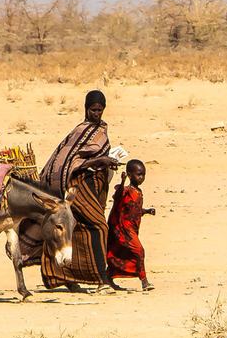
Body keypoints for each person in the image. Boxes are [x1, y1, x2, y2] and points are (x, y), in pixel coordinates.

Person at [36, 89, 120, 292]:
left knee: (80, 230)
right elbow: (71, 160)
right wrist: (100, 160)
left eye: (100, 110)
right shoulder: (81, 131)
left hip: (92, 185)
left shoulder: (100, 130)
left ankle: (67, 277)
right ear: (85, 108)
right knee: (100, 227)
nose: (96, 114)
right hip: (75, 186)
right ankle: (101, 279)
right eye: (93, 110)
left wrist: (108, 162)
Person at [106, 159, 156, 291]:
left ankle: (108, 276)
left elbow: (134, 210)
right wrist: (122, 182)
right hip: (122, 229)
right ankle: (144, 281)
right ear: (129, 175)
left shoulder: (138, 191)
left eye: (143, 175)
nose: (141, 178)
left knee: (119, 253)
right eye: (138, 174)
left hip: (132, 229)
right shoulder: (126, 190)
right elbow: (118, 196)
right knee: (139, 251)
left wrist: (146, 211)